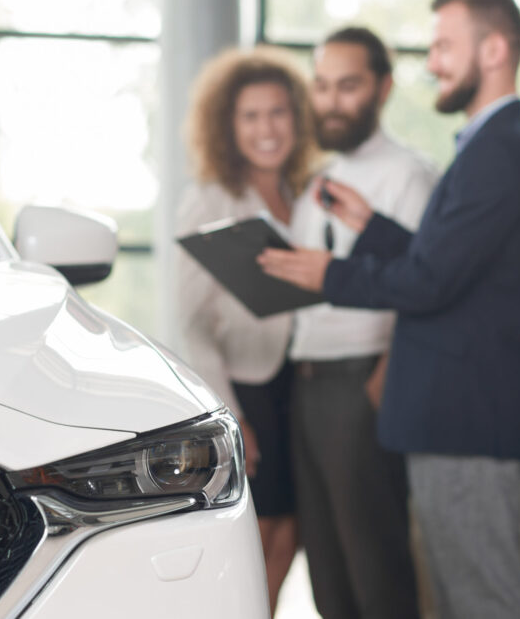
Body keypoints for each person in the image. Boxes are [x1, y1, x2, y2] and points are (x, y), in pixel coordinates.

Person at [259, 0, 520, 619]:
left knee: (482, 599)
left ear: (495, 49)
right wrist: (375, 228)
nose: (434, 62)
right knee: (459, 597)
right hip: (453, 414)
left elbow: (427, 284)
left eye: (445, 46)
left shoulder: (500, 150)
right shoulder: (485, 147)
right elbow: (442, 263)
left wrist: (329, 273)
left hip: (465, 416)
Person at [287, 27, 438, 619]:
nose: (330, 101)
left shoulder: (409, 175)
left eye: (347, 86)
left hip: (362, 384)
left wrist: (388, 373)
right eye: (322, 86)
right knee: (328, 573)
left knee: (376, 570)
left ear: (383, 88)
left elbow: (426, 284)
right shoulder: (317, 182)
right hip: (307, 385)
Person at [175, 47, 318, 615]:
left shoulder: (306, 193)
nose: (266, 129)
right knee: (258, 529)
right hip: (248, 386)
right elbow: (191, 320)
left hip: (301, 381)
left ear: (297, 119)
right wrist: (232, 416)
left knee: (292, 528)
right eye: (251, 116)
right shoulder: (209, 200)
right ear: (227, 126)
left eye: (277, 113)